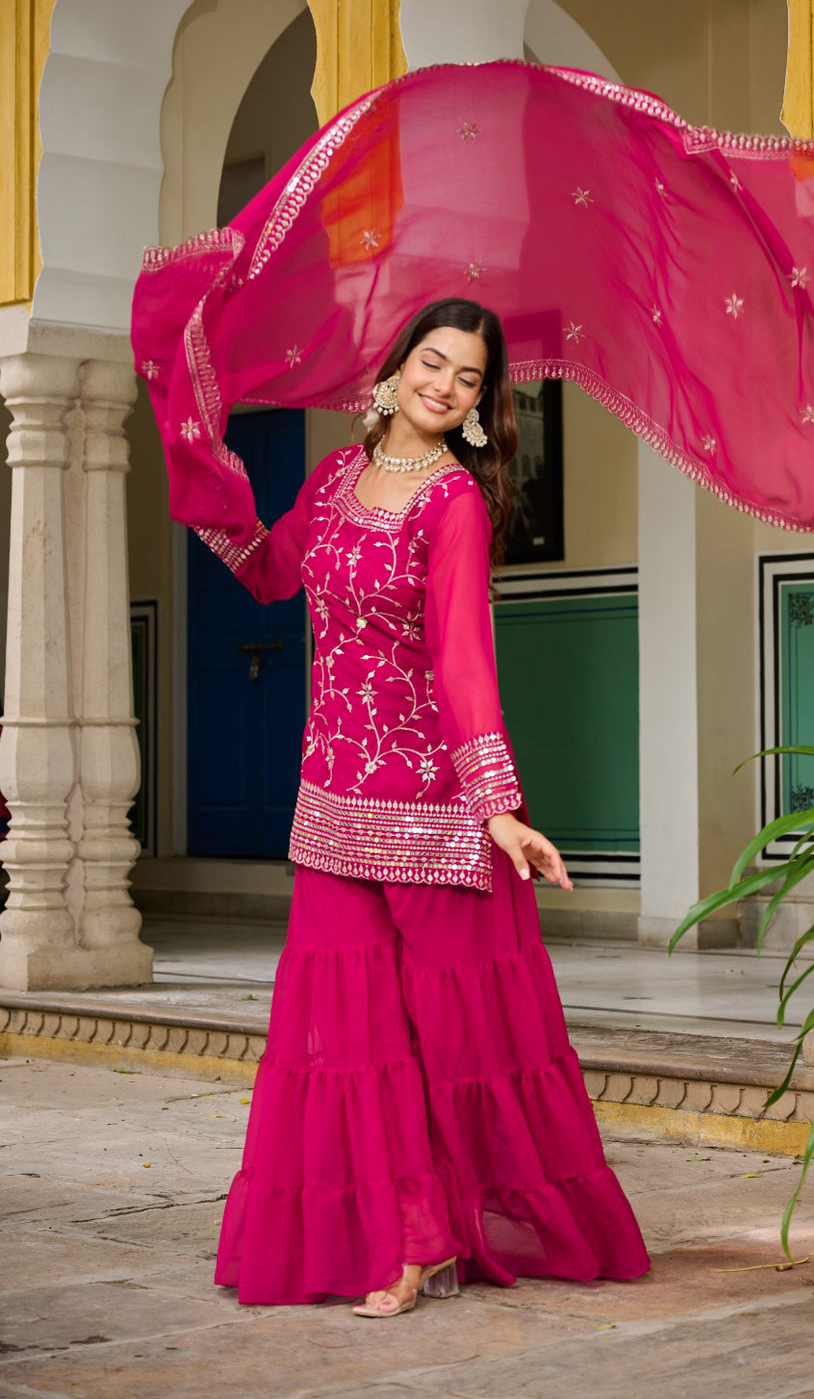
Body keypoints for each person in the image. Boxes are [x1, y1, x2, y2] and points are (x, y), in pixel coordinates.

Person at [210, 297, 650, 1314]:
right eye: (432, 362)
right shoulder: (331, 478)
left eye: (467, 378)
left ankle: (418, 1249)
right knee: (349, 1043)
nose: (444, 386)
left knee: (441, 1043)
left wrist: (498, 807)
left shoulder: (452, 502)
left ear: (482, 404)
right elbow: (273, 573)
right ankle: (400, 1237)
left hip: (431, 808)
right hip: (330, 806)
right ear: (397, 364)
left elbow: (461, 661)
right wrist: (211, 491)